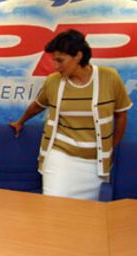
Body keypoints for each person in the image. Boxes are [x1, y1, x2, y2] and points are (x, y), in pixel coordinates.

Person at [10, 29, 132, 200]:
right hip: (61, 157)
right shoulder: (53, 81)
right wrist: (20, 121)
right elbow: (37, 106)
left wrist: (110, 147)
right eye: (54, 61)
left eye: (60, 60)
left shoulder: (109, 78)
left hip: (95, 163)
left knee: (86, 216)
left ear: (78, 56)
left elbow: (121, 114)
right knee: (54, 208)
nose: (56, 66)